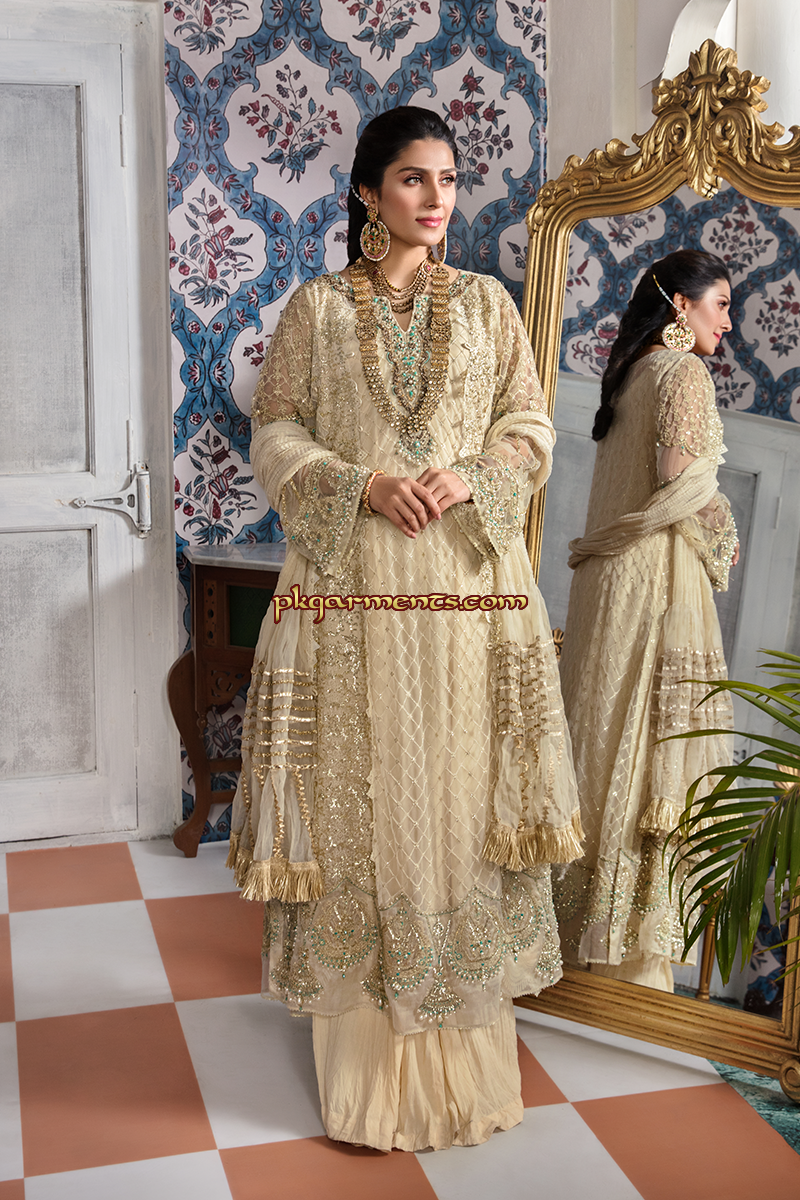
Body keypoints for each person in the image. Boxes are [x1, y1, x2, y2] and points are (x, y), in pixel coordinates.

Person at [226, 106, 581, 1151]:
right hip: (352, 586)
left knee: (459, 797)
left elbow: (530, 425)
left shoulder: (486, 305)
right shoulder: (316, 310)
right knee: (359, 798)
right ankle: (368, 1079)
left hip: (468, 589)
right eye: (414, 178)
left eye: (447, 179)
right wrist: (362, 484)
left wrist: (466, 477)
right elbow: (275, 428)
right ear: (368, 193)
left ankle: (466, 1066)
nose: (435, 198)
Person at [555, 249, 738, 993]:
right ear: (680, 305)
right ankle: (632, 967)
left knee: (603, 736)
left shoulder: (629, 374)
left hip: (608, 582)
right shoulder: (682, 372)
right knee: (649, 742)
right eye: (721, 304)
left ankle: (577, 948)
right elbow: (678, 480)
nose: (729, 322)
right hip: (653, 576)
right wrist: (723, 523)